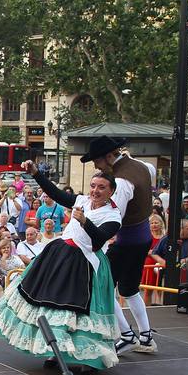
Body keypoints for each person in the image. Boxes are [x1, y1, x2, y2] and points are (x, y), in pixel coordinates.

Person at [0, 167, 123, 371]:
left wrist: (85, 221)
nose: (95, 191)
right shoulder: (82, 201)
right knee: (50, 303)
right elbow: (56, 193)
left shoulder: (113, 215)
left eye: (101, 187)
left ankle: (87, 359)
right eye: (93, 186)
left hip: (85, 263)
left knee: (79, 309)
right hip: (60, 255)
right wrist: (36, 173)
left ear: (111, 191)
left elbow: (98, 240)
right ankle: (54, 350)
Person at [79, 136, 159, 356]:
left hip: (126, 241)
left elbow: (114, 218)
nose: (96, 166)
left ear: (108, 156)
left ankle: (127, 336)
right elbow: (151, 174)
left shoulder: (122, 182)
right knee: (130, 289)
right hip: (142, 237)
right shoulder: (142, 166)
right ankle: (146, 337)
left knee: (102, 286)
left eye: (97, 161)